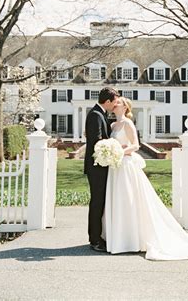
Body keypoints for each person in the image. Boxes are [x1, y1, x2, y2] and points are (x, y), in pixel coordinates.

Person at [102, 97, 188, 260]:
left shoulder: (128, 123)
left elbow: (135, 145)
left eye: (118, 102)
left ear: (125, 107)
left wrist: (118, 152)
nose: (114, 104)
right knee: (118, 200)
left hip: (126, 165)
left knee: (129, 199)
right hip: (116, 167)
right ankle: (120, 238)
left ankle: (131, 240)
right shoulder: (113, 125)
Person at [84, 87, 119, 252]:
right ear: (107, 101)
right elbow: (97, 141)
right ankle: (95, 240)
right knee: (97, 203)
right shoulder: (95, 115)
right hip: (96, 167)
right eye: (114, 102)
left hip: (101, 166)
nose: (115, 105)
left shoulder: (101, 114)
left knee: (100, 202)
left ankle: (98, 237)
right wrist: (112, 147)